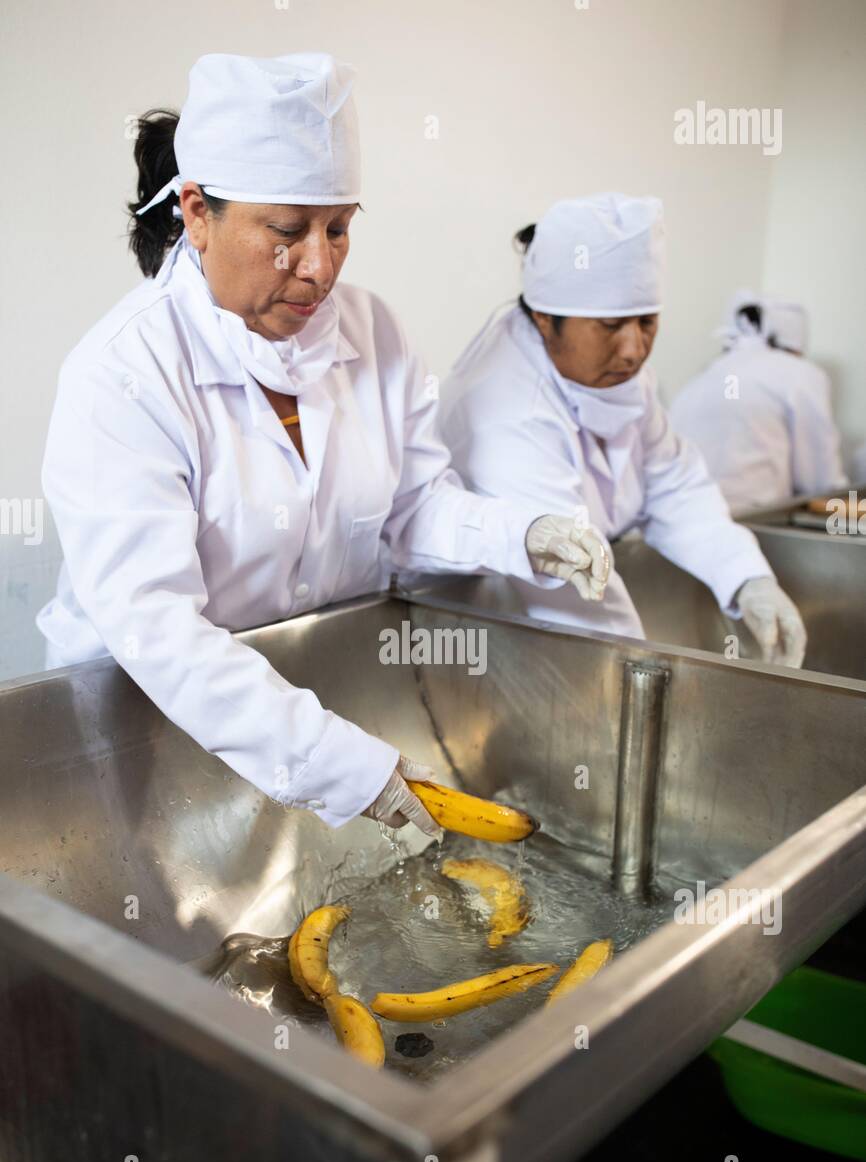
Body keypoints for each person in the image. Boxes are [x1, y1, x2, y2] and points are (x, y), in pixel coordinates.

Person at [36, 53, 612, 835]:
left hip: (313, 717)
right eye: (286, 231)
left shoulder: (374, 333)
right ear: (198, 212)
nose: (319, 267)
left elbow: (415, 510)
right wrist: (345, 770)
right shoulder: (122, 375)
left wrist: (523, 533)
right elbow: (157, 626)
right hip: (140, 737)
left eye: (339, 228)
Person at [439, 193, 806, 665]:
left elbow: (672, 484)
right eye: (611, 325)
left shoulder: (623, 376)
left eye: (647, 321)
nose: (634, 349)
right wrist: (642, 676)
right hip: (477, 631)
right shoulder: (507, 407)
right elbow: (578, 591)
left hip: (555, 624)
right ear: (546, 319)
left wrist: (745, 576)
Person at [670, 291, 846, 515]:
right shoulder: (802, 375)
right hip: (757, 524)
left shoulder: (696, 382)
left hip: (680, 522)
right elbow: (821, 483)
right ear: (795, 343)